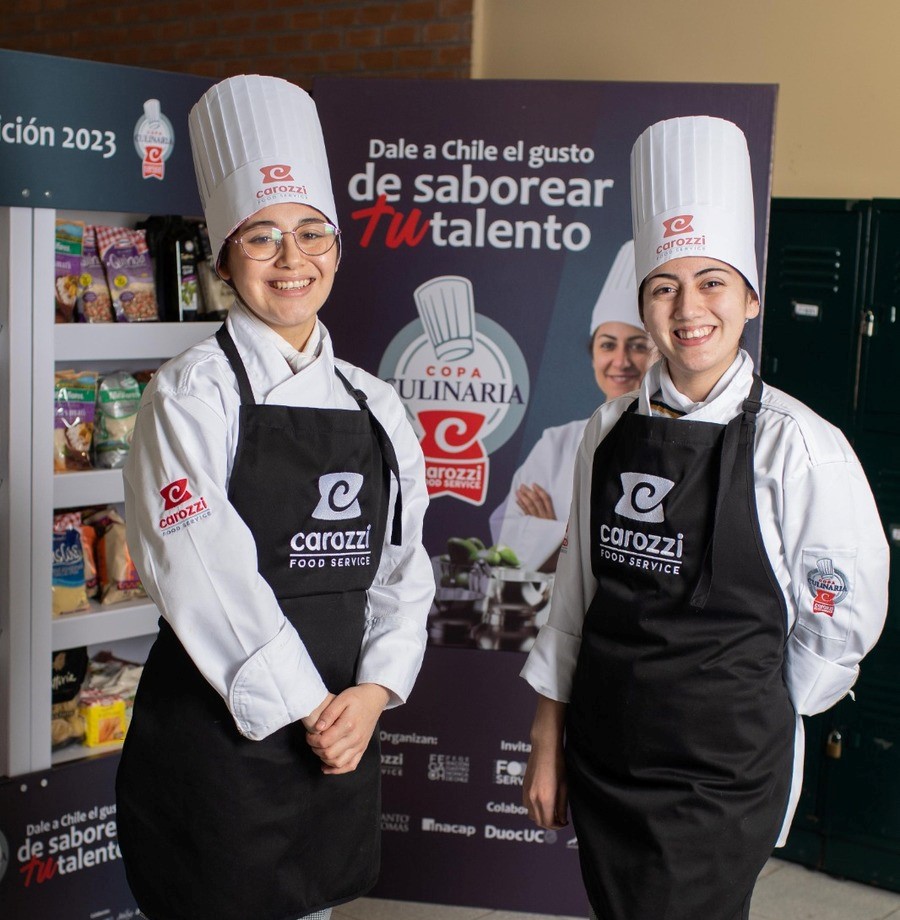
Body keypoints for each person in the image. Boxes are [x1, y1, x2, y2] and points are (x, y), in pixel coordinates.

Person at [520, 115, 889, 920]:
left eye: (712, 281)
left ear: (750, 296)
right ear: (644, 303)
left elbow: (840, 619)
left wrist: (741, 707)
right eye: (665, 286)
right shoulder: (607, 431)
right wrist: (550, 738)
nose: (689, 309)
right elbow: (576, 597)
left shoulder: (800, 447)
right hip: (607, 754)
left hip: (721, 774)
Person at [115, 75, 434, 920]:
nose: (293, 260)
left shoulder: (377, 403)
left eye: (311, 233)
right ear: (224, 258)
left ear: (337, 246)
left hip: (339, 732)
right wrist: (310, 705)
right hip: (223, 743)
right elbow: (198, 568)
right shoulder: (190, 394)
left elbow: (404, 566)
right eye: (263, 237)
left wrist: (374, 695)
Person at [489, 240, 653, 573]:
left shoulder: (671, 443)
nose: (620, 361)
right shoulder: (557, 443)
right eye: (608, 345)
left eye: (637, 346)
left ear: (657, 355)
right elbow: (505, 539)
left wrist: (552, 534)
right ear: (593, 354)